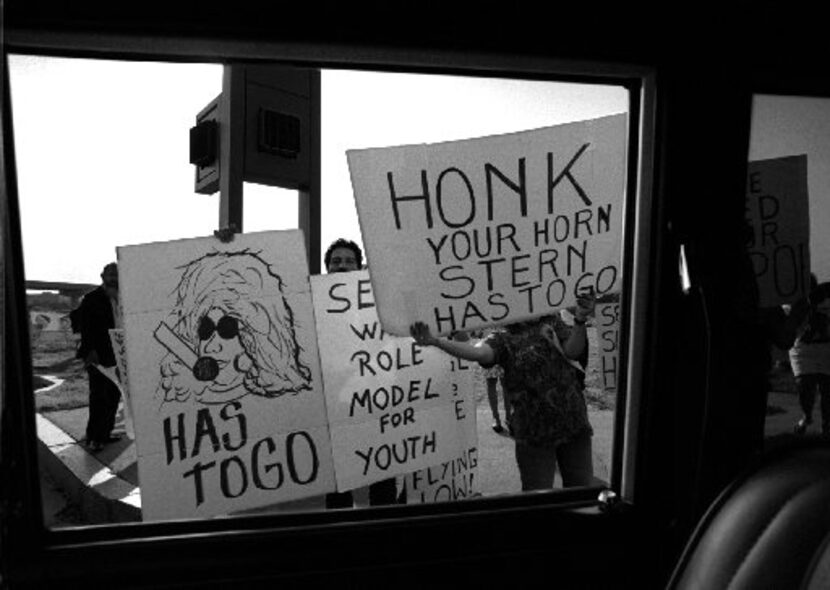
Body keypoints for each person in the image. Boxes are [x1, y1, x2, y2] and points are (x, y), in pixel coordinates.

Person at [410, 290, 597, 491]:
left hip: (573, 425)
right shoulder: (502, 338)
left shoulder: (552, 323)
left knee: (582, 495)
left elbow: (572, 351)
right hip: (534, 435)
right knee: (538, 504)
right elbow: (478, 352)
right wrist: (438, 342)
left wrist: (580, 320)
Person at [155, 250, 312, 405]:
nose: (211, 347)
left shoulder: (291, 402)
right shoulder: (177, 400)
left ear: (254, 335)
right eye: (205, 329)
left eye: (227, 329)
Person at [323, 238, 398, 508]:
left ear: (359, 267)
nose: (341, 266)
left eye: (348, 261)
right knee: (338, 484)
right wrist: (226, 247)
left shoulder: (379, 302)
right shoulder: (313, 304)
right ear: (327, 269)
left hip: (379, 404)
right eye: (335, 262)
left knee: (384, 477)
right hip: (336, 409)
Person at [72, 262, 122, 451]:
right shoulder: (91, 299)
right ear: (102, 277)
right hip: (98, 356)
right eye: (110, 275)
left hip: (118, 355)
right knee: (99, 397)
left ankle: (106, 433)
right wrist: (89, 351)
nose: (113, 278)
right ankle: (93, 437)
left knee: (114, 395)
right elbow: (85, 328)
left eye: (116, 275)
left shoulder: (124, 297)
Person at [790, 281, 830, 435]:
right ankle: (807, 416)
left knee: (827, 389)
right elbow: (790, 327)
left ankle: (827, 425)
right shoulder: (795, 304)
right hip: (803, 351)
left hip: (826, 349)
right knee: (805, 385)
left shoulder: (826, 299)